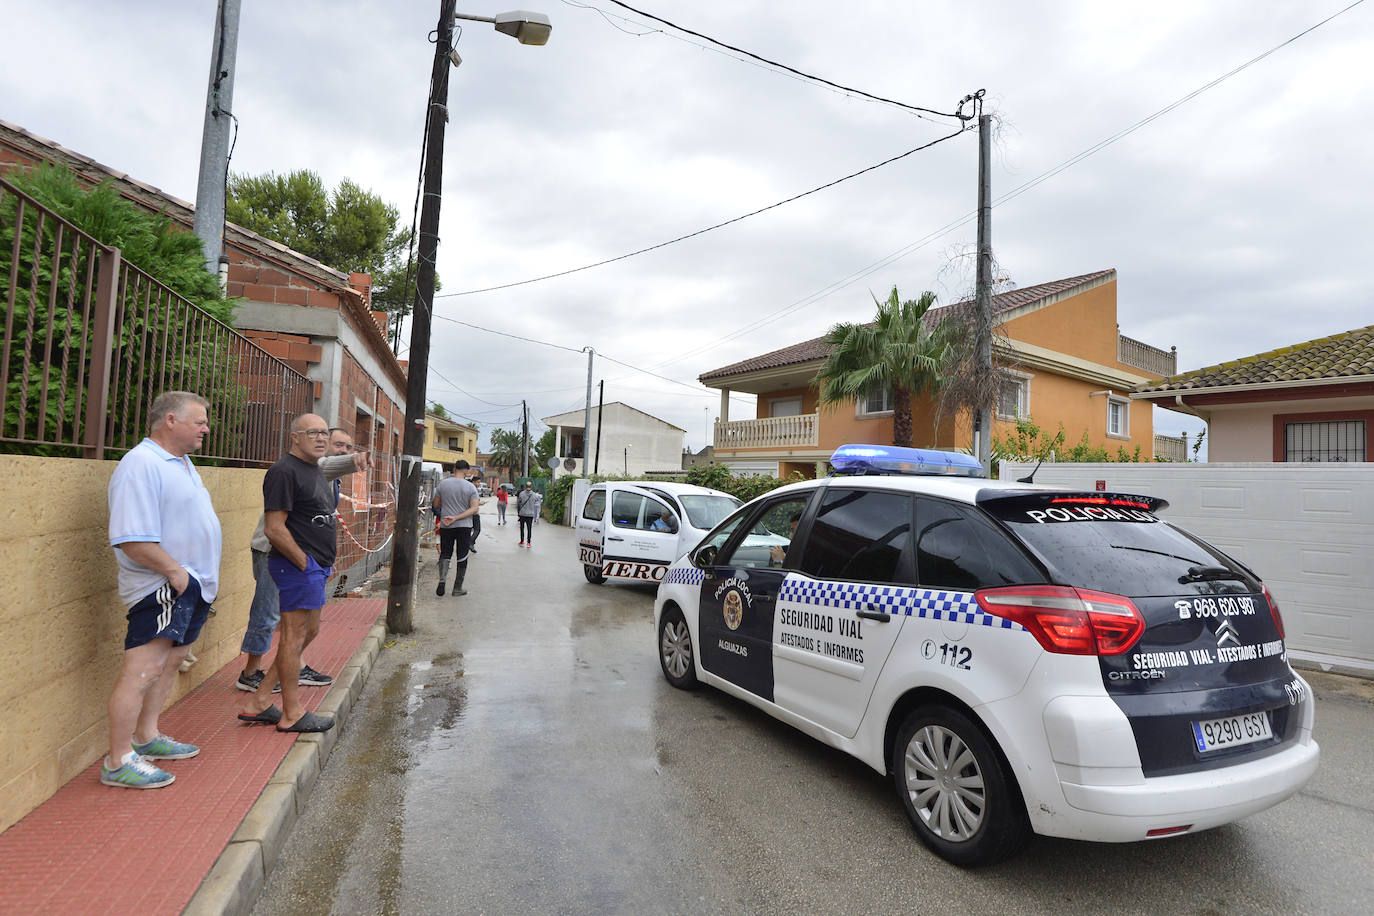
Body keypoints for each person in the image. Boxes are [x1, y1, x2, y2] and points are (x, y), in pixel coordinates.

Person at [103, 390, 221, 789]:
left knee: (170, 663)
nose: (206, 428)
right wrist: (175, 573)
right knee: (143, 669)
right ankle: (118, 761)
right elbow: (131, 538)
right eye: (199, 421)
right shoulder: (141, 463)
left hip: (189, 586)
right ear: (170, 420)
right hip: (162, 586)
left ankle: (147, 737)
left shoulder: (182, 463)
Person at [235, 427, 367, 693]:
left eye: (348, 448)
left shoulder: (329, 479)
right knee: (268, 611)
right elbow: (329, 464)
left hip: (300, 554)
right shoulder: (315, 467)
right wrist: (354, 461)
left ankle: (296, 665)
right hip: (274, 550)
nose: (343, 450)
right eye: (338, 444)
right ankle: (250, 673)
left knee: (295, 619)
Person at [237, 413, 344, 733]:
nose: (321, 438)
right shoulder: (284, 471)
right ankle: (292, 713)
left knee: (306, 634)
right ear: (294, 437)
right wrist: (304, 562)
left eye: (325, 432)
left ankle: (259, 701)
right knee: (294, 636)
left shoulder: (316, 470)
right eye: (313, 433)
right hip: (296, 567)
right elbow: (274, 528)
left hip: (315, 567)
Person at [433, 460, 479, 595]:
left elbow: (436, 504)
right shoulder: (470, 487)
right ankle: (457, 588)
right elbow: (475, 509)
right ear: (466, 470)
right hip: (464, 526)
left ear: (454, 468)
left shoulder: (443, 484)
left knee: (445, 553)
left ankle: (442, 581)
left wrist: (449, 512)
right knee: (462, 555)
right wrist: (457, 517)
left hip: (446, 525)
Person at [516, 481, 537, 547]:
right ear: (531, 487)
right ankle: (529, 542)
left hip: (522, 514)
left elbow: (519, 503)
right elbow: (536, 502)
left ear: (525, 486)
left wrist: (518, 512)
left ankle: (522, 542)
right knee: (529, 528)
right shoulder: (534, 494)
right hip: (530, 514)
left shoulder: (521, 494)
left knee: (522, 528)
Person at [467, 472, 483, 554]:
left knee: (470, 529)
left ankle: (471, 544)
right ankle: (470, 542)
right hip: (474, 513)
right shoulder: (473, 490)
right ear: (473, 482)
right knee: (477, 530)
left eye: (479, 482)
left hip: (469, 513)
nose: (478, 484)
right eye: (477, 482)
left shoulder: (468, 489)